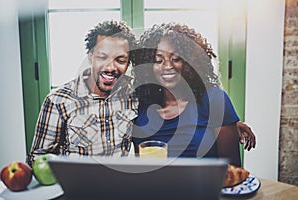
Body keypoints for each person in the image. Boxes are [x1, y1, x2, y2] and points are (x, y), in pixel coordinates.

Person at [132, 22, 255, 167]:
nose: (167, 66)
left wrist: (230, 124)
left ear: (189, 62)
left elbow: (232, 170)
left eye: (176, 59)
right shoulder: (138, 104)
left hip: (205, 189)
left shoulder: (215, 100)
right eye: (158, 60)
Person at [27, 20, 139, 166]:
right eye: (102, 57)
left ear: (128, 63)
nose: (110, 67)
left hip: (118, 183)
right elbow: (37, 158)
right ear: (90, 56)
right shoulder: (58, 100)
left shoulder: (134, 95)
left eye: (120, 60)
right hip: (77, 185)